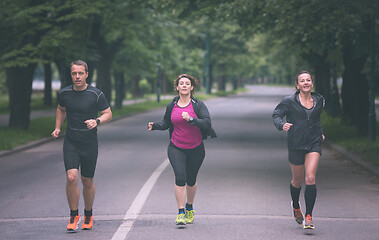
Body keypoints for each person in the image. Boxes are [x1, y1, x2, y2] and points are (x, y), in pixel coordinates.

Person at [148, 74, 216, 226]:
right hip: (176, 147)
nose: (184, 85)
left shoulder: (198, 105)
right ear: (177, 87)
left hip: (196, 148)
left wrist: (191, 120)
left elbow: (207, 123)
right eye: (181, 83)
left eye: (187, 83)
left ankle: (189, 207)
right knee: (180, 178)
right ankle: (180, 213)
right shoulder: (172, 106)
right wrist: (155, 126)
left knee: (191, 180)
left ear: (192, 87)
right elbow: (166, 123)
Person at [51, 60, 112, 231]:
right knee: (71, 178)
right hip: (71, 141)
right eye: (74, 73)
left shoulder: (96, 94)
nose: (77, 77)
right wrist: (57, 128)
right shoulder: (64, 93)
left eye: (80, 73)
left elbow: (108, 113)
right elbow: (61, 109)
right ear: (71, 74)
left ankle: (88, 213)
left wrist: (97, 120)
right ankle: (73, 214)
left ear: (86, 74)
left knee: (87, 180)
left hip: (89, 143)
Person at [272, 71, 325, 230]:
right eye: (302, 81)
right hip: (295, 143)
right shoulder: (289, 101)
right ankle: (295, 205)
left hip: (313, 142)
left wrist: (320, 131)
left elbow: (316, 119)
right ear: (297, 85)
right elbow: (276, 115)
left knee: (310, 178)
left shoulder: (319, 100)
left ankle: (308, 217)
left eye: (308, 80)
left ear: (312, 83)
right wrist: (281, 125)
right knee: (297, 181)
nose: (306, 83)